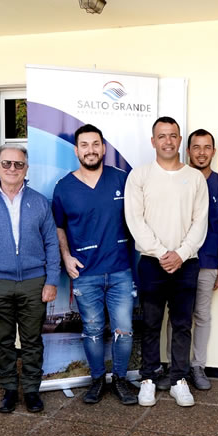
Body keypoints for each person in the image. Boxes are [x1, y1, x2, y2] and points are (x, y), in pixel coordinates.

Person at [0, 144, 60, 414]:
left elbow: (52, 243)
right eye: (6, 163)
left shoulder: (39, 201)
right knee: (4, 340)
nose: (12, 168)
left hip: (34, 282)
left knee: (32, 340)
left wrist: (52, 280)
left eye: (18, 164)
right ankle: (8, 389)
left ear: (26, 168)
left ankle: (31, 390)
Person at [124, 116, 208, 407]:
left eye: (173, 135)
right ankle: (148, 378)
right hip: (152, 263)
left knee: (182, 324)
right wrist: (162, 253)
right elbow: (135, 220)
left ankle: (178, 380)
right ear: (153, 141)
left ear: (180, 140)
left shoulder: (195, 178)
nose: (168, 141)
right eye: (162, 136)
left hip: (186, 263)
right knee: (150, 323)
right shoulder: (140, 176)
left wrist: (180, 254)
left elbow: (200, 222)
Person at [52, 124, 138, 405]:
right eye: (84, 145)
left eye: (95, 144)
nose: (90, 150)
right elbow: (58, 226)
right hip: (85, 272)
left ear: (104, 148)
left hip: (120, 270)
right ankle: (97, 379)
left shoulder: (122, 179)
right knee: (92, 330)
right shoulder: (64, 187)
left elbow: (139, 218)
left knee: (124, 330)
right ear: (76, 151)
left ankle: (121, 379)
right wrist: (66, 257)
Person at [161, 129, 218, 391]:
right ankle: (174, 367)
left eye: (207, 147)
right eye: (196, 147)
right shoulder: (175, 179)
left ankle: (197, 366)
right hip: (177, 262)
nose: (201, 153)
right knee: (177, 317)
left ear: (214, 151)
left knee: (201, 316)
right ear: (188, 150)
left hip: (206, 263)